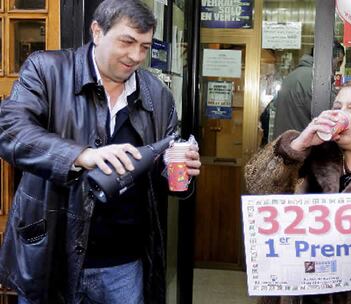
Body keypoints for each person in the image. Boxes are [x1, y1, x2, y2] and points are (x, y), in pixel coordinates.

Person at [0, 0, 201, 303]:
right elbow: (11, 132)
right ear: (97, 31)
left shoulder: (157, 95)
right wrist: (81, 155)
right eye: (127, 42)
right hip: (51, 256)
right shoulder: (46, 70)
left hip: (124, 265)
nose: (136, 56)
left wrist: (180, 170)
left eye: (144, 47)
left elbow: (164, 177)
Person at [245, 79, 351, 303]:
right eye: (337, 107)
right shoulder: (310, 156)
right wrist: (296, 146)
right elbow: (257, 188)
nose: (341, 115)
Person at [272, 41, 345, 139]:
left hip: (288, 145)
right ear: (327, 57)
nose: (339, 68)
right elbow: (335, 117)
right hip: (302, 148)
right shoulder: (315, 80)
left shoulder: (295, 75)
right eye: (339, 62)